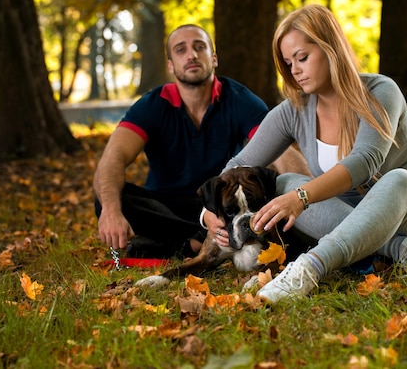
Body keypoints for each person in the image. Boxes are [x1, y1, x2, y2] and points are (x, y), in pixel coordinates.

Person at [210, 4, 407, 303]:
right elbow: (237, 165)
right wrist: (207, 215)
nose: (295, 70)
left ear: (331, 49)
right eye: (288, 63)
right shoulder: (294, 111)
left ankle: (309, 268)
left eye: (302, 58)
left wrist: (301, 197)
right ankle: (400, 250)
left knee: (397, 180)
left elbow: (365, 161)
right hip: (354, 223)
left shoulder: (381, 91)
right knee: (285, 182)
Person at [94, 24, 307, 259]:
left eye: (199, 47)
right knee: (109, 196)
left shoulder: (241, 100)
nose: (191, 55)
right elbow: (113, 157)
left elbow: (279, 151)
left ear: (214, 58)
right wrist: (111, 211)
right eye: (180, 50)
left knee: (275, 187)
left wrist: (308, 196)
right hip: (167, 209)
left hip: (221, 204)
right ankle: (196, 242)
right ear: (170, 65)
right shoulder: (151, 105)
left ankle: (176, 245)